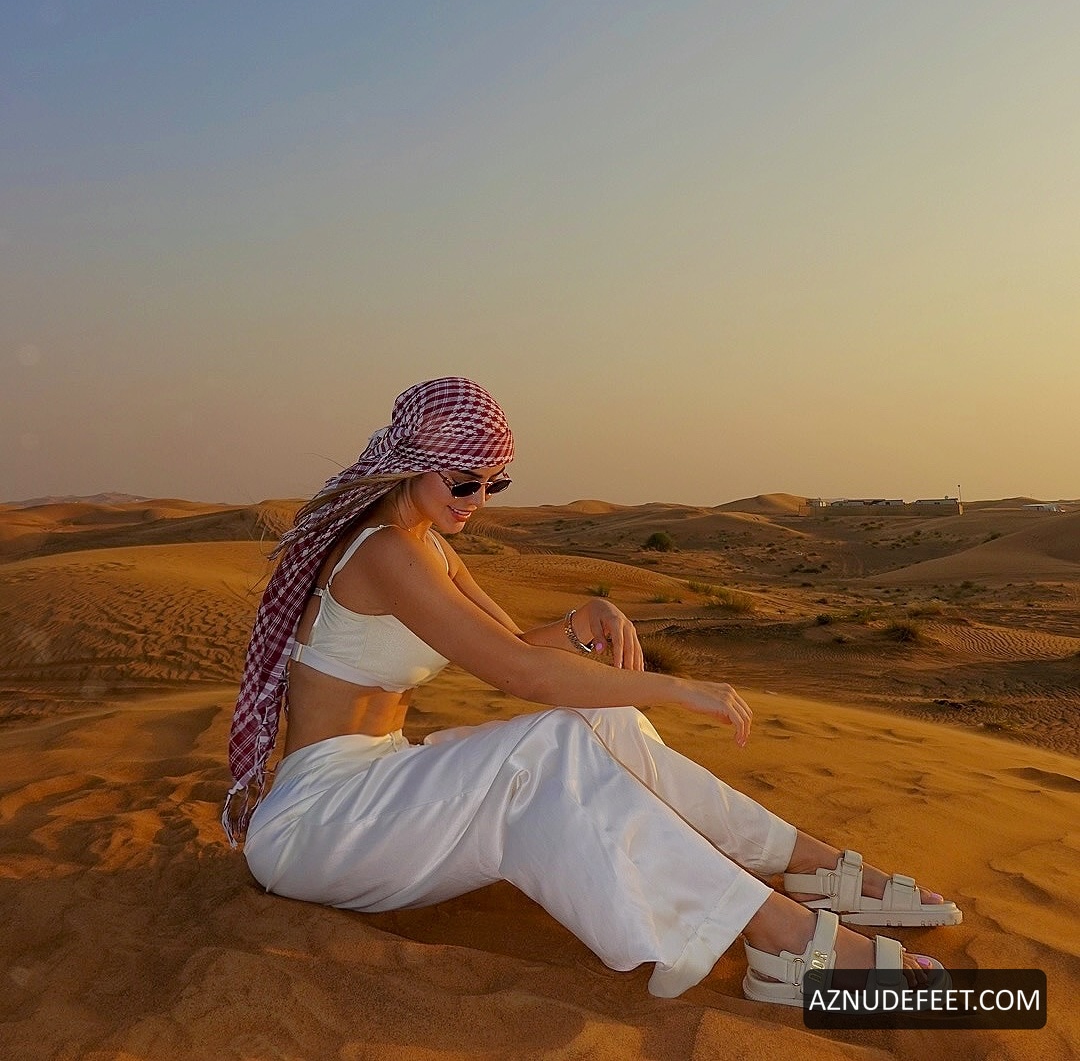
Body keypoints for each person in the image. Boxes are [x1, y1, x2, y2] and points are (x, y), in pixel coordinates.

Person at [224, 377, 960, 1004]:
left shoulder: (426, 546)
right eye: (464, 481)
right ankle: (781, 936)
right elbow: (518, 675)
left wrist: (583, 621)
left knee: (601, 722)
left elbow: (514, 643)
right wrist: (673, 687)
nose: (479, 499)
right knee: (551, 741)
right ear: (413, 464)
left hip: (383, 790)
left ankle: (801, 862)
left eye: (493, 483)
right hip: (320, 822)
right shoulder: (384, 550)